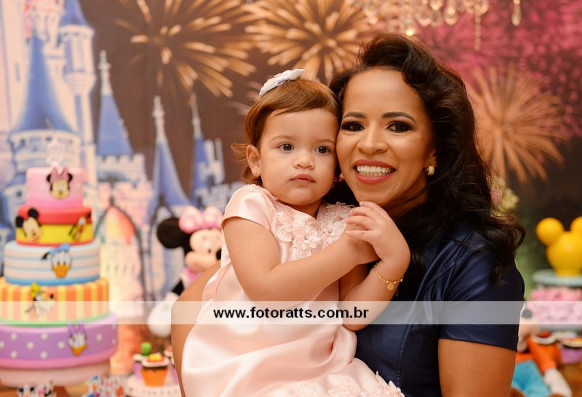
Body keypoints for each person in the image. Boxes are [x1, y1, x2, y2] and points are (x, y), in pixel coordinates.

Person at [173, 33, 525, 396]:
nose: (369, 144)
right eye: (353, 125)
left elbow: (351, 314)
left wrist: (393, 262)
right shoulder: (277, 211)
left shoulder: (471, 262)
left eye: (398, 126)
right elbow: (192, 307)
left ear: (434, 149)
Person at [178, 69, 408, 396]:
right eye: (286, 147)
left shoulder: (345, 221)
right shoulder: (251, 206)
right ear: (256, 160)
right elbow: (267, 290)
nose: (304, 161)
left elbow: (352, 316)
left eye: (322, 150)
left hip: (319, 368)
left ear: (338, 165)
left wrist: (394, 262)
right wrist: (348, 252)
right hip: (245, 364)